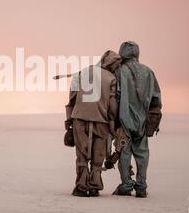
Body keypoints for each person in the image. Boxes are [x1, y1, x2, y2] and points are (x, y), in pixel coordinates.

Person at [64, 50, 121, 197]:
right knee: (98, 155)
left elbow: (72, 98)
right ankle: (95, 185)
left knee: (82, 154)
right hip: (101, 120)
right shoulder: (111, 78)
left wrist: (68, 121)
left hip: (80, 118)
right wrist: (113, 121)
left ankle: (81, 186)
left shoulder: (82, 73)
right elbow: (113, 104)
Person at [112, 41, 162, 198]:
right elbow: (156, 100)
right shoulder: (148, 72)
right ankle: (141, 186)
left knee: (124, 153)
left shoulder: (119, 71)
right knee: (142, 154)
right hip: (142, 121)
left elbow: (115, 97)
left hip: (124, 119)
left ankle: (126, 185)